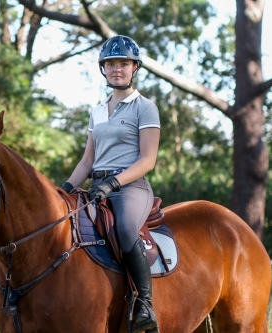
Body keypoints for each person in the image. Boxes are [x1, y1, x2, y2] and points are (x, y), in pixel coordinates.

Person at [61, 35, 160, 333]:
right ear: (103, 69)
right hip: (97, 187)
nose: (117, 69)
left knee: (126, 229)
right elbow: (87, 161)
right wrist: (64, 189)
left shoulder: (145, 107)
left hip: (131, 187)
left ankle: (144, 304)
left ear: (135, 68)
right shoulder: (97, 110)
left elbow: (148, 160)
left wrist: (114, 183)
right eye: (111, 64)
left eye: (123, 63)